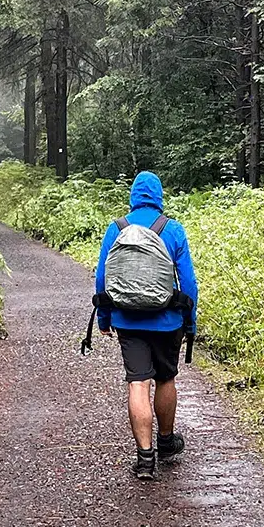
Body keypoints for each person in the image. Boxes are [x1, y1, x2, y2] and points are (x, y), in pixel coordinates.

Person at [94, 170, 197, 479]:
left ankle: (144, 459)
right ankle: (166, 443)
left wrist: (104, 318)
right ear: (159, 197)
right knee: (165, 380)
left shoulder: (117, 229)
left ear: (133, 197)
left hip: (128, 318)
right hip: (168, 320)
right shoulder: (173, 229)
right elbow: (189, 282)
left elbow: (102, 277)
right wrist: (189, 322)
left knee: (137, 383)